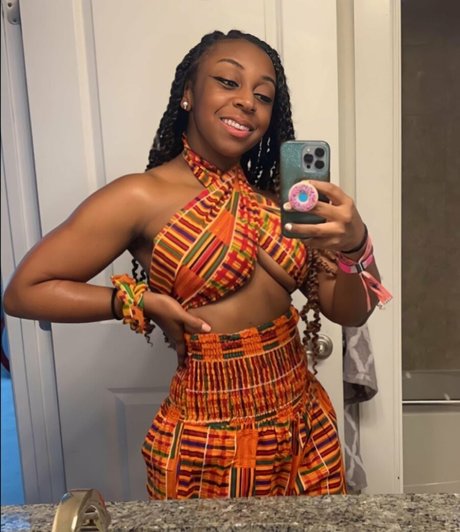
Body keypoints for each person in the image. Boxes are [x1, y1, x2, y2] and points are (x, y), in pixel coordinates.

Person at [3, 29, 390, 499]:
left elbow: (349, 312)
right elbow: (25, 291)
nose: (247, 101)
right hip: (209, 436)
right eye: (228, 82)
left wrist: (355, 244)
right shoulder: (141, 195)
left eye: (263, 95)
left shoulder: (281, 204)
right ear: (188, 93)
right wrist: (136, 301)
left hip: (304, 424)